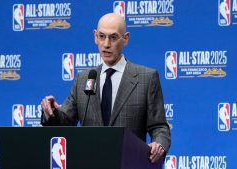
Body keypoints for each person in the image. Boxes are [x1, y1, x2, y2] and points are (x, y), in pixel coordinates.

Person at [41, 13, 171, 163]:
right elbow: (64, 123)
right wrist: (51, 112)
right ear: (95, 36)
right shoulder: (84, 79)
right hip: (90, 163)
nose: (106, 44)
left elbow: (160, 127)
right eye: (102, 36)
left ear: (126, 38)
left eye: (113, 37)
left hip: (129, 163)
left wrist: (159, 144)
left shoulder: (146, 78)